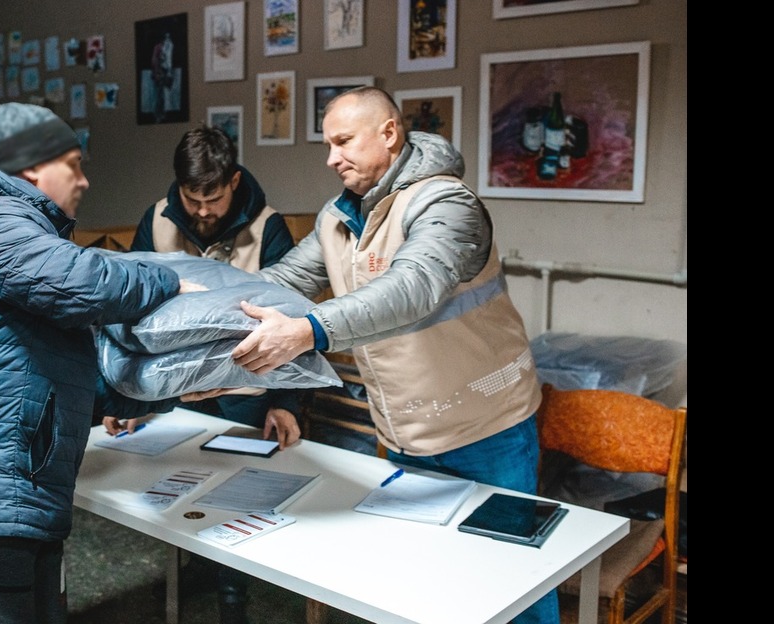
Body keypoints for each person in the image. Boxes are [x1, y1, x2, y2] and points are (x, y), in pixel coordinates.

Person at [230, 86, 558, 624]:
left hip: (487, 429)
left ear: (388, 134)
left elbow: (413, 287)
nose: (331, 158)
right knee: (431, 579)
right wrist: (207, 304)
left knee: (510, 580)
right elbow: (283, 282)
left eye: (342, 142)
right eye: (328, 145)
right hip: (405, 432)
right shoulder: (336, 220)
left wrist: (311, 330)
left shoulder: (447, 204)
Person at [0, 102, 203, 624]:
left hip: (8, 496)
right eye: (74, 165)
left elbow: (65, 379)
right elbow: (90, 283)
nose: (83, 181)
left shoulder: (19, 237)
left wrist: (176, 388)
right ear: (33, 166)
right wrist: (172, 279)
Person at [104, 124, 300, 624]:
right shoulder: (157, 219)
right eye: (193, 199)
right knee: (180, 478)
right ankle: (195, 566)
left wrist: (287, 402)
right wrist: (123, 399)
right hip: (172, 383)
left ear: (233, 181)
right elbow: (132, 304)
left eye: (213, 197)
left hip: (246, 383)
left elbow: (292, 318)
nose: (204, 211)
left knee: (235, 486)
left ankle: (232, 591)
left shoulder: (269, 227)